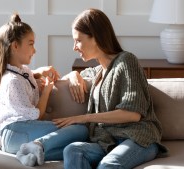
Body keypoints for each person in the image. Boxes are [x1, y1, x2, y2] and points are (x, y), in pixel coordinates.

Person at [53, 8, 168, 169]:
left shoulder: (126, 61)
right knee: (73, 150)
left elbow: (133, 114)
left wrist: (84, 118)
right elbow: (72, 76)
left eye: (78, 40)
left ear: (95, 37)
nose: (74, 47)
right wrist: (74, 75)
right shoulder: (99, 71)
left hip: (138, 139)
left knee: (108, 165)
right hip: (108, 141)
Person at [0, 13, 88, 167]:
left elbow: (26, 76)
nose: (34, 50)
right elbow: (37, 115)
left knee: (76, 149)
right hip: (16, 132)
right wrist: (48, 88)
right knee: (81, 131)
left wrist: (38, 72)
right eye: (31, 44)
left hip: (17, 137)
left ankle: (26, 153)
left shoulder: (21, 73)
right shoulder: (12, 81)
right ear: (15, 46)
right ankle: (33, 146)